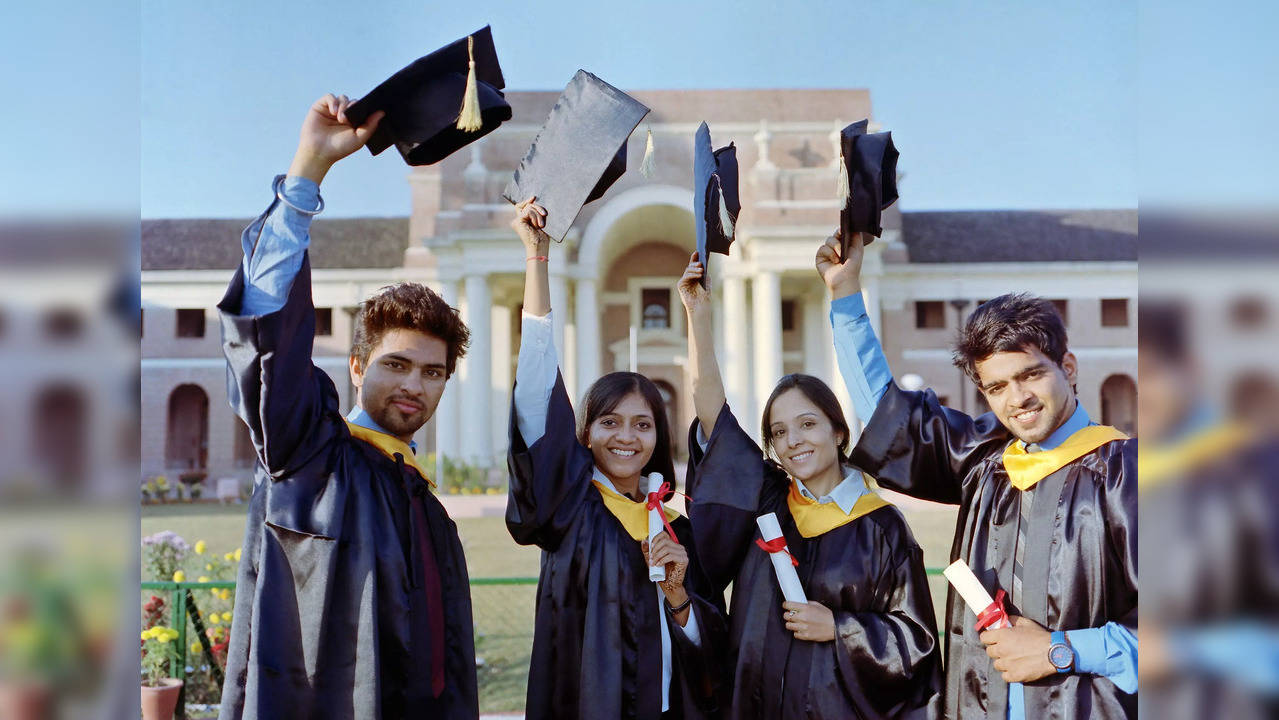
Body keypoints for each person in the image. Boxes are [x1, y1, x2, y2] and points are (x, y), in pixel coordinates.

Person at [218, 94, 479, 719]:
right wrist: (309, 170)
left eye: (432, 372)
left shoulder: (429, 509)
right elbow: (268, 346)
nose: (414, 385)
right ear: (357, 367)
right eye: (396, 364)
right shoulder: (308, 456)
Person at [821, 229, 1138, 718]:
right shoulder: (984, 464)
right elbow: (887, 415)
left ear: (1068, 367)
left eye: (1032, 374)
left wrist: (1062, 649)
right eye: (997, 387)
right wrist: (844, 295)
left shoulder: (1127, 474)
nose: (1018, 398)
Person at [677, 252, 942, 719]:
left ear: (839, 431)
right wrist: (698, 317)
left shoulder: (882, 528)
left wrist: (840, 628)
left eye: (806, 424)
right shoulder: (767, 506)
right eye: (779, 433)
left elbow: (915, 642)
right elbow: (714, 416)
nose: (793, 441)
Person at [505, 199, 725, 720]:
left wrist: (679, 599)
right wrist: (537, 261)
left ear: (660, 436)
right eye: (609, 422)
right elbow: (537, 399)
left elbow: (710, 649)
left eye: (642, 424)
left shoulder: (675, 532)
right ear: (583, 432)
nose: (626, 437)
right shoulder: (569, 511)